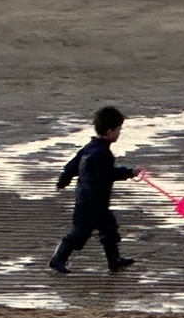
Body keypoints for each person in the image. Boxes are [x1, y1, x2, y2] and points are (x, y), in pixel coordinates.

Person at [49, 105, 145, 274]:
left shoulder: (89, 147)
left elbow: (72, 165)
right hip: (90, 202)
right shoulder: (103, 154)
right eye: (118, 130)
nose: (119, 133)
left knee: (109, 229)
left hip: (93, 201)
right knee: (79, 234)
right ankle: (58, 259)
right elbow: (108, 174)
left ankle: (114, 261)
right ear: (110, 132)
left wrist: (63, 181)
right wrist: (130, 172)